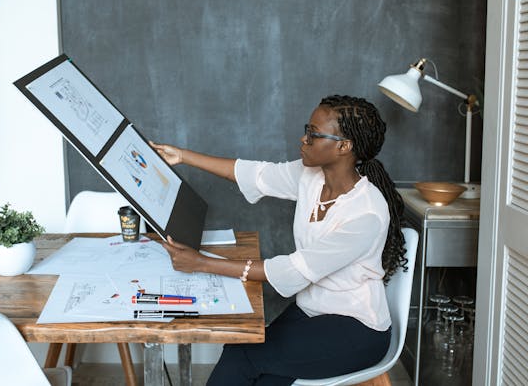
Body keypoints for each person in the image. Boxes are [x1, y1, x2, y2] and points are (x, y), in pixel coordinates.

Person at [150, 94, 407, 386]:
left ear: (344, 147)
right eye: (306, 129)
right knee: (256, 368)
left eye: (313, 134)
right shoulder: (311, 175)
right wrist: (182, 156)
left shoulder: (366, 213)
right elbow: (257, 174)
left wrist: (202, 263)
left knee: (243, 357)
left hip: (357, 329)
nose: (303, 139)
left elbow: (293, 271)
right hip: (312, 309)